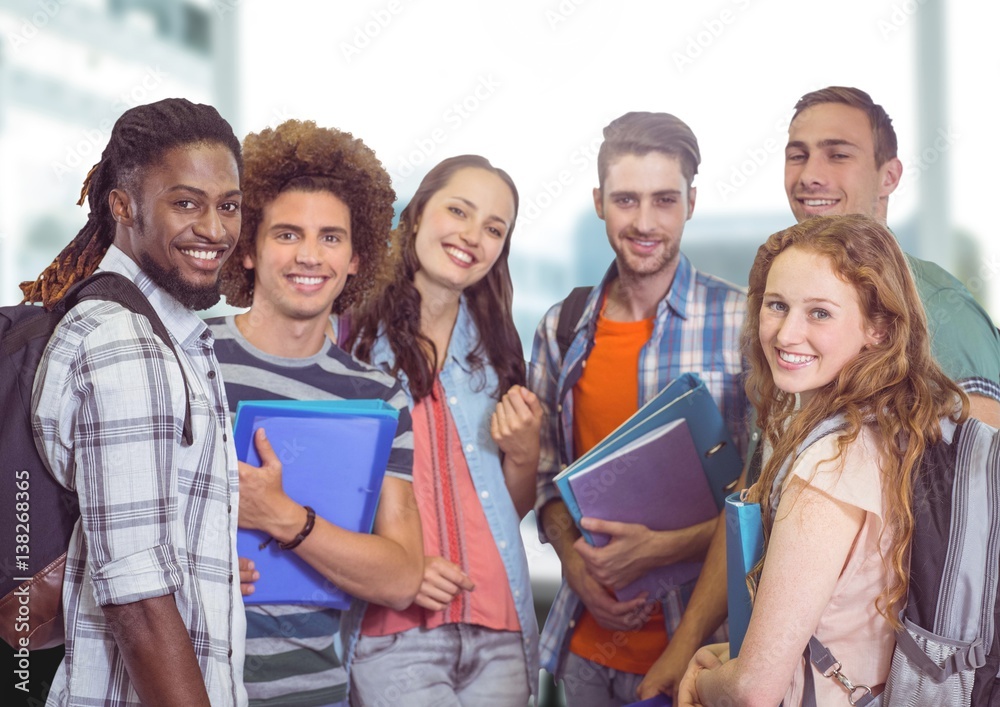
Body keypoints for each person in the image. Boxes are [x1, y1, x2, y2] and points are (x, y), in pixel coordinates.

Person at [638, 85, 1000, 700]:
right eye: (797, 154)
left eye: (837, 154)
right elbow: (756, 499)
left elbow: (968, 492)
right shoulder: (810, 383)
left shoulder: (936, 312)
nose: (811, 175)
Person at [678, 213, 967, 705]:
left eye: (820, 313)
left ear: (877, 327)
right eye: (777, 305)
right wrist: (741, 657)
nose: (787, 335)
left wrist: (703, 684)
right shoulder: (887, 429)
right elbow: (843, 624)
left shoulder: (830, 464)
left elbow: (754, 691)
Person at [26, 98, 247, 706]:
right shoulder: (126, 344)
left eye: (228, 205)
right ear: (122, 205)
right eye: (186, 203)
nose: (215, 229)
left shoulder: (170, 335)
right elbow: (139, 596)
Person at [531, 111, 748, 706]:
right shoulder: (562, 327)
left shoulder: (747, 323)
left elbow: (770, 500)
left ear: (692, 202)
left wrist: (665, 548)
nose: (645, 222)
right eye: (627, 199)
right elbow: (547, 481)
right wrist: (575, 569)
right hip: (585, 654)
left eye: (665, 200)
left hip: (700, 656)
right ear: (599, 202)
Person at [209, 119, 424, 707]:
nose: (310, 255)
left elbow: (402, 576)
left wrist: (284, 518)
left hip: (314, 694)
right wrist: (199, 556)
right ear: (248, 248)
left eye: (331, 237)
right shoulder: (184, 356)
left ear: (357, 258)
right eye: (287, 234)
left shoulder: (379, 398)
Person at [345, 155, 542, 706]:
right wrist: (400, 570)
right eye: (459, 210)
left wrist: (525, 454)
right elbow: (325, 493)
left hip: (499, 624)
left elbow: (510, 505)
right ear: (416, 215)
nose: (472, 235)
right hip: (394, 628)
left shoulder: (497, 345)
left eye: (494, 228)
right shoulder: (349, 336)